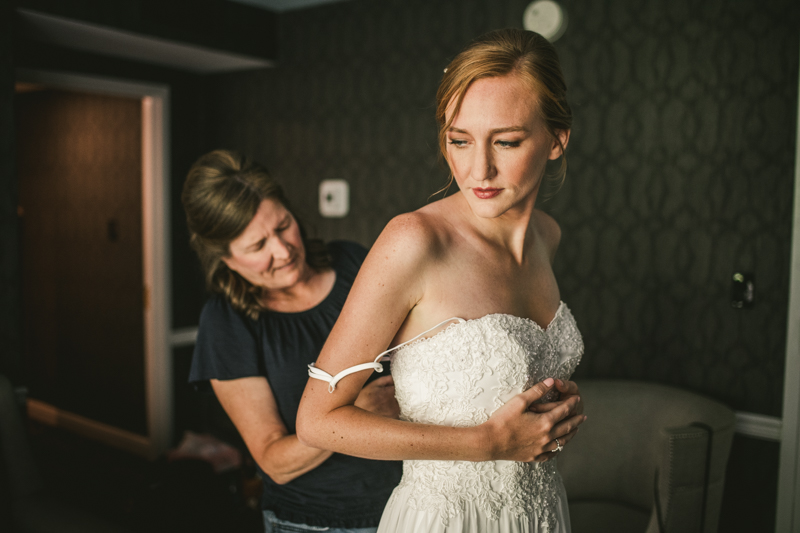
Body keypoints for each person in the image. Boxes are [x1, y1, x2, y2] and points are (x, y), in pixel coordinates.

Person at [296, 29, 585, 533]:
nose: (479, 169)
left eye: (508, 141)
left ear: (557, 140)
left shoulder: (547, 236)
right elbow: (317, 422)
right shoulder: (414, 241)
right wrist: (489, 443)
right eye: (459, 140)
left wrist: (549, 413)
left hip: (541, 512)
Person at [183, 149, 402, 533]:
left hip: (408, 504)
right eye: (257, 247)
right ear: (226, 259)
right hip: (315, 523)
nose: (282, 252)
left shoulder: (351, 262)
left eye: (283, 226)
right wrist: (354, 413)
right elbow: (274, 461)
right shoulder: (227, 324)